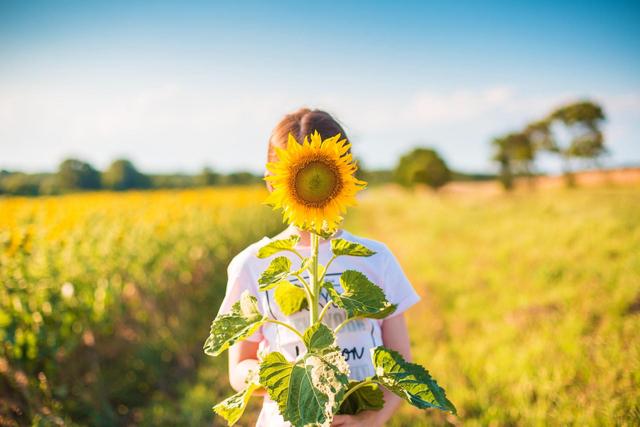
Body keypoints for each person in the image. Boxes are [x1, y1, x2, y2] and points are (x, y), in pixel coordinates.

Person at [218, 108, 421, 426]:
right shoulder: (253, 264)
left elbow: (401, 366)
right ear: (274, 183)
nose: (314, 184)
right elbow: (238, 369)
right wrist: (281, 375)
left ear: (346, 174)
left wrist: (368, 422)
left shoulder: (376, 259)